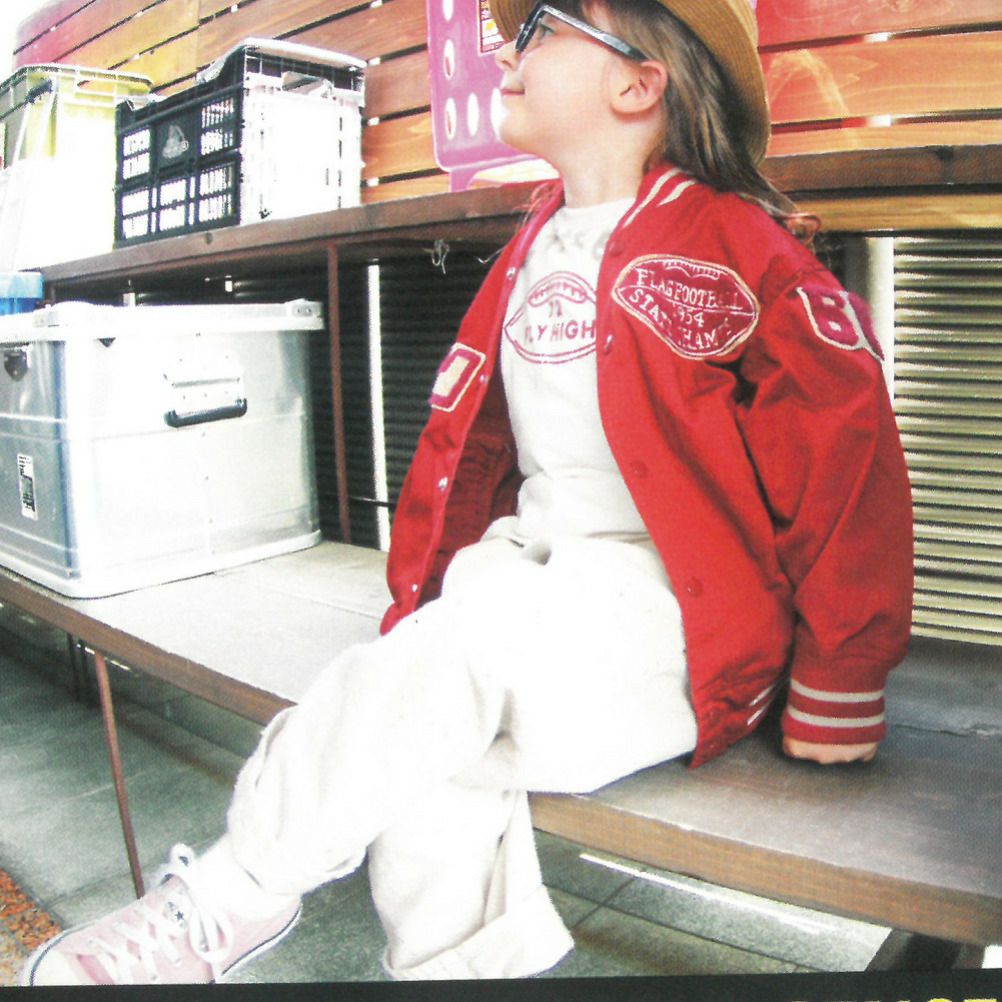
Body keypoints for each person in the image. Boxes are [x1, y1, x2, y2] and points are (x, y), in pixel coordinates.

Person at [20, 0, 913, 986]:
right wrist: (420, 603)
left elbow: (844, 450)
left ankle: (235, 894)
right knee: (428, 741)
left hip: (679, 625)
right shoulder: (539, 239)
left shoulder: (735, 240)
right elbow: (467, 444)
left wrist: (841, 680)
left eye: (541, 27)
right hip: (528, 586)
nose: (504, 48)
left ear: (637, 82)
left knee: (438, 682)